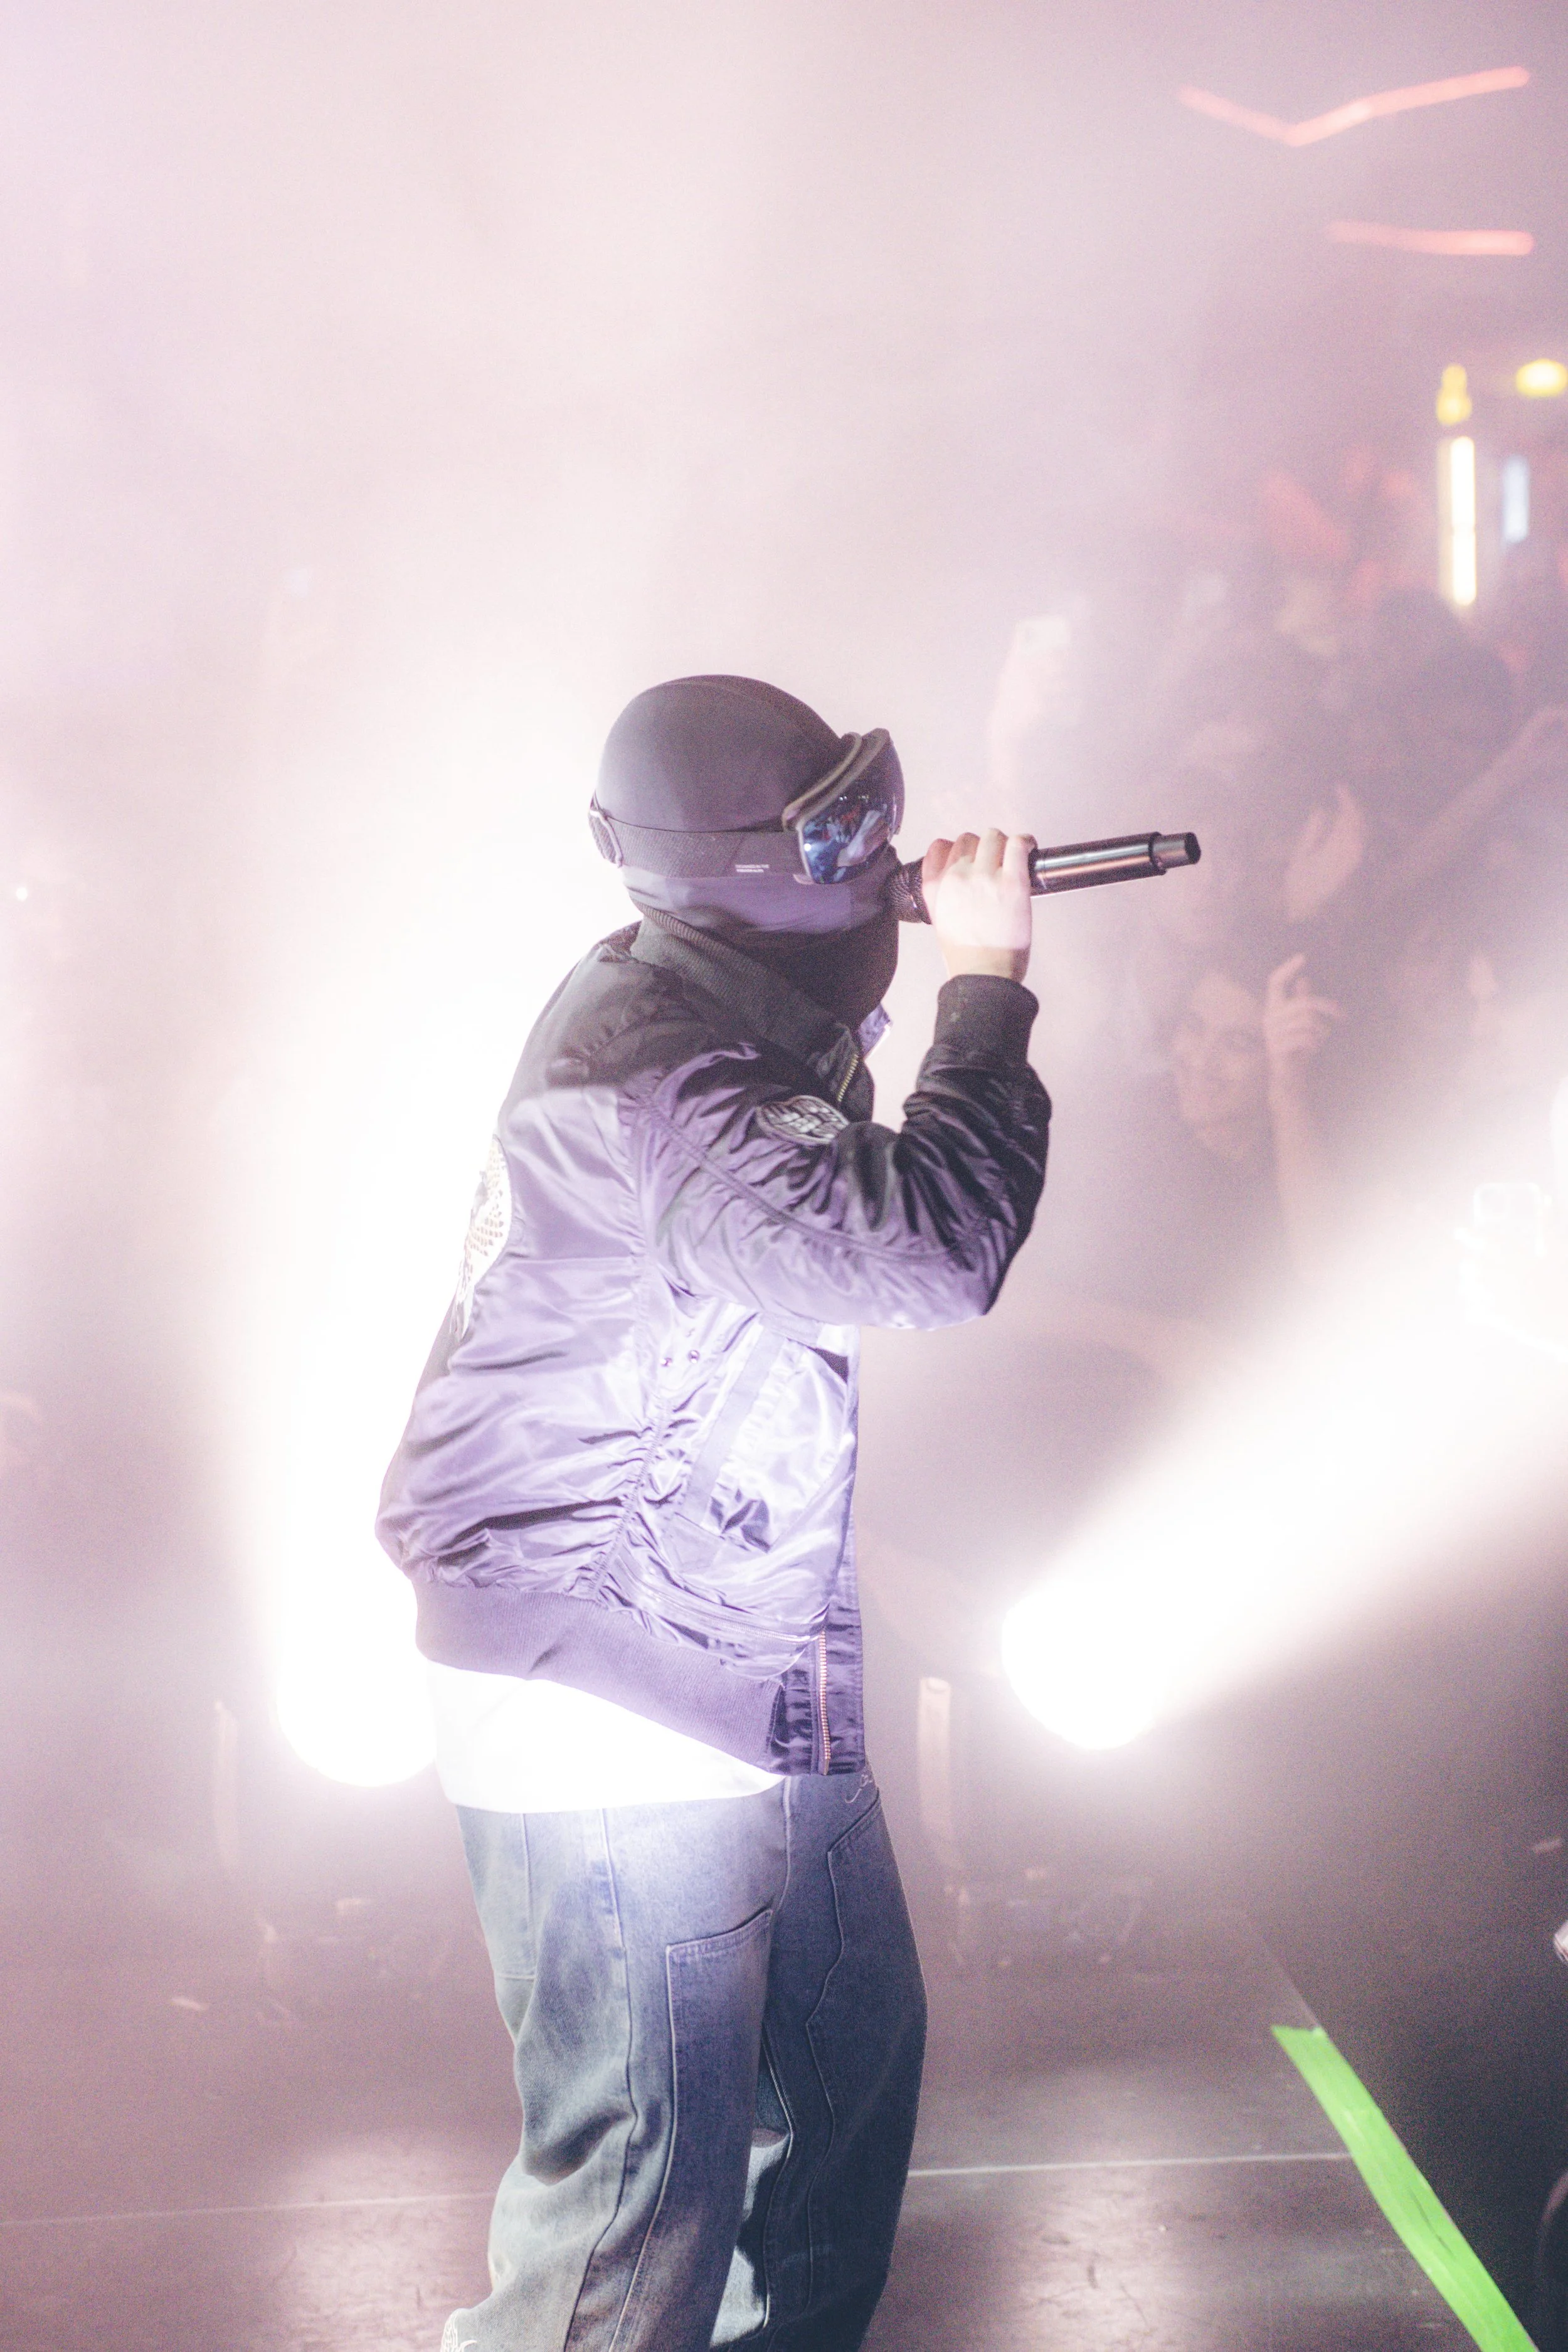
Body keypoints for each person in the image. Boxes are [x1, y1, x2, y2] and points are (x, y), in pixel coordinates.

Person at [376, 674, 1051, 2352]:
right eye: (837, 834)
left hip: (726, 1643)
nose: (874, 854)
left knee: (835, 2092)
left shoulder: (694, 991)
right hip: (607, 1673)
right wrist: (984, 987)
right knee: (641, 2192)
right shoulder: (661, 1082)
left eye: (866, 806)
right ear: (726, 865)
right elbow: (924, 1250)